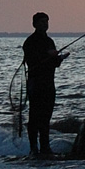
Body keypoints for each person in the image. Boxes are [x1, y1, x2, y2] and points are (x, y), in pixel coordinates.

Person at [22, 12, 66, 159]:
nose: (44, 25)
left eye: (46, 22)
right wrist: (49, 55)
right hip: (35, 84)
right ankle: (33, 149)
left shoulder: (49, 41)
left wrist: (58, 59)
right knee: (34, 117)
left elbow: (53, 63)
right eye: (41, 22)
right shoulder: (30, 42)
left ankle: (45, 148)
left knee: (46, 117)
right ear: (34, 24)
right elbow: (32, 60)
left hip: (48, 83)